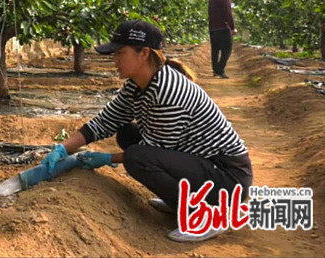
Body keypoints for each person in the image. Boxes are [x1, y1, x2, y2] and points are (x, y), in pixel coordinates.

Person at [42, 20, 252, 242]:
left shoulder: (168, 91)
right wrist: (62, 148)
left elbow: (156, 148)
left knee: (137, 157)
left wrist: (104, 158)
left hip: (228, 177)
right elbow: (105, 121)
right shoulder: (136, 84)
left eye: (120, 53)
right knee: (126, 134)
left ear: (143, 54)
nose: (114, 60)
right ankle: (181, 201)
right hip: (202, 165)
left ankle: (203, 216)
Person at [208, 0, 237, 78]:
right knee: (227, 50)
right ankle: (220, 70)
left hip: (213, 28)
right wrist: (232, 28)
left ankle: (215, 70)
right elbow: (228, 14)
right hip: (223, 28)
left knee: (215, 50)